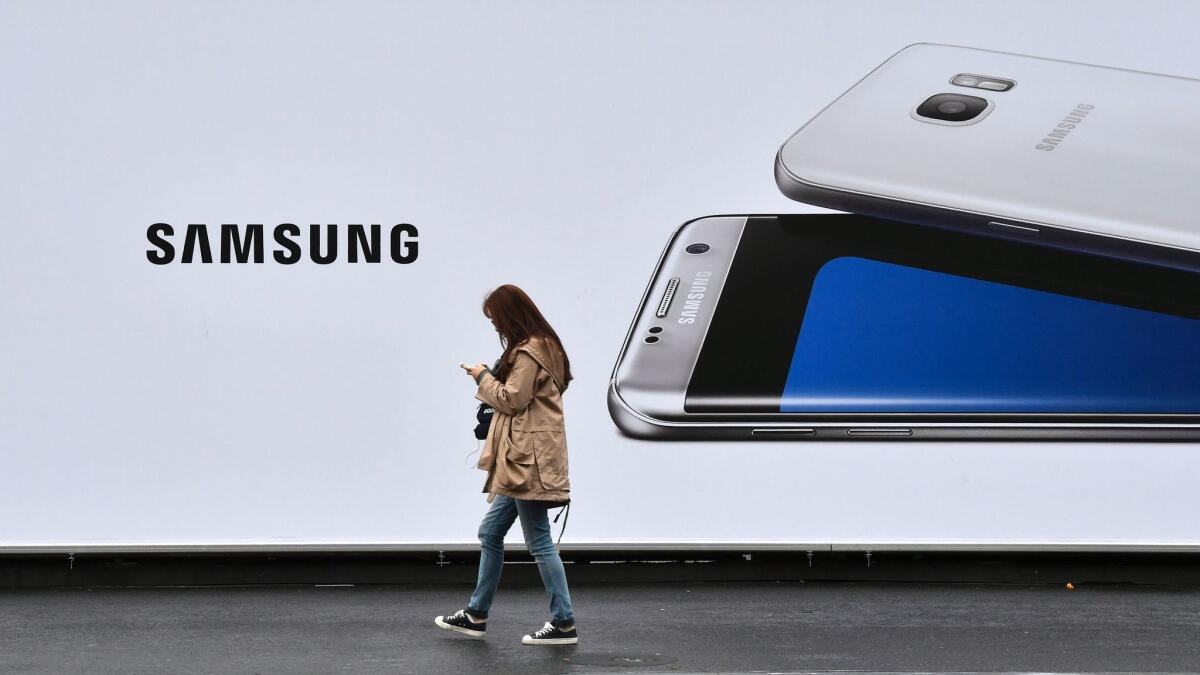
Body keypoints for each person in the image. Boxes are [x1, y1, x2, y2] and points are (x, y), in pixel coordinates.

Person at [435, 284, 578, 646]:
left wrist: (482, 376)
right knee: (490, 533)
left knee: (540, 541)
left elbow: (513, 400)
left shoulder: (531, 351)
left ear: (510, 315)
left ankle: (563, 623)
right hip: (524, 457)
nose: (496, 326)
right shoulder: (546, 346)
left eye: (496, 319)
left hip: (526, 460)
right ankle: (476, 615)